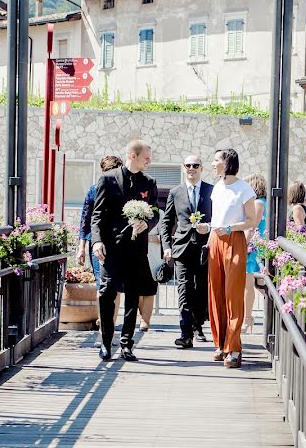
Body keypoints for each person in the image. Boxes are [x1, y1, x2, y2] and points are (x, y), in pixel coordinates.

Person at [90, 140, 158, 362]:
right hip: (111, 248)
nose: (149, 160)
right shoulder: (107, 179)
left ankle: (127, 344)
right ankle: (106, 342)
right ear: (133, 155)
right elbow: (97, 214)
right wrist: (96, 241)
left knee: (133, 296)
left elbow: (156, 212)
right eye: (146, 157)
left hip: (137, 249)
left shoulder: (150, 182)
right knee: (107, 293)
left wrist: (147, 224)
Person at [207, 149, 258, 369]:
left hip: (235, 239)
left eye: (216, 160)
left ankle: (235, 349)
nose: (213, 164)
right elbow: (215, 218)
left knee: (233, 294)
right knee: (216, 293)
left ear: (227, 163)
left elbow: (251, 221)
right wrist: (208, 234)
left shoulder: (244, 189)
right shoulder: (217, 187)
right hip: (215, 241)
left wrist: (229, 227)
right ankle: (221, 344)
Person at [160, 154, 213, 348]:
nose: (191, 168)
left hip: (205, 249)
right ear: (183, 168)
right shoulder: (175, 192)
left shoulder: (211, 191)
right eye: (188, 165)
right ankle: (185, 332)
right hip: (181, 248)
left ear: (201, 168)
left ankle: (198, 325)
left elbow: (218, 219)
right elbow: (166, 222)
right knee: (183, 290)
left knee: (201, 290)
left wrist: (207, 227)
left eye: (195, 165)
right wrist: (167, 247)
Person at [77, 156, 123, 337]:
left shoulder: (123, 189)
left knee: (116, 287)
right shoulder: (94, 190)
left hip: (119, 242)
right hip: (97, 243)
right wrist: (81, 247)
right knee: (102, 286)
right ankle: (104, 329)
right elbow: (85, 220)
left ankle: (110, 324)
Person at [242, 173, 267, 334]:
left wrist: (244, 244)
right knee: (257, 284)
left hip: (252, 248)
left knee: (248, 284)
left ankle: (247, 318)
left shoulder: (258, 203)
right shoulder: (263, 202)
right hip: (256, 246)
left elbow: (252, 226)